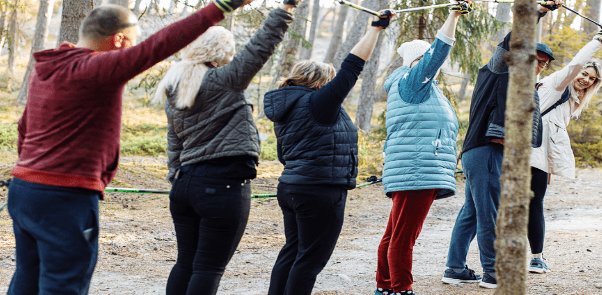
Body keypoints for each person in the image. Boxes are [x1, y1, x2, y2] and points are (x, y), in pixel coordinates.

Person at [6, 0, 242, 293]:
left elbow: (23, 128)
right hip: (64, 198)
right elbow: (158, 45)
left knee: (27, 278)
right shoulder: (96, 68)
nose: (134, 49)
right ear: (119, 40)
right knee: (62, 285)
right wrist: (222, 6)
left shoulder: (47, 68)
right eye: (132, 43)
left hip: (25, 189)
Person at [151, 0, 297, 293]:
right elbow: (260, 47)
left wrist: (175, 177)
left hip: (184, 186)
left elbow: (173, 140)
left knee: (186, 263)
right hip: (223, 186)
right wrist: (287, 8)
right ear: (220, 54)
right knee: (208, 267)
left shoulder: (175, 85)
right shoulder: (225, 80)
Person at [262, 9, 394, 295]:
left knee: (293, 251)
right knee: (309, 260)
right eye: (329, 82)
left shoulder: (285, 106)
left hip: (291, 186)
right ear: (320, 84)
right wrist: (376, 29)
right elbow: (353, 66)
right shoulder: (318, 103)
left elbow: (284, 154)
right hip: (319, 191)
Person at [441, 0, 563, 289]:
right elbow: (512, 40)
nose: (538, 67)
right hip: (484, 150)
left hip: (484, 153)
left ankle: (455, 268)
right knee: (489, 214)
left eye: (543, 64)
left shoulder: (526, 89)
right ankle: (493, 273)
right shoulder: (496, 71)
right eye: (535, 60)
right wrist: (539, 13)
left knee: (471, 212)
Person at [374, 3, 472, 295]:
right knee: (403, 238)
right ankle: (401, 289)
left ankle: (386, 287)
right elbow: (438, 52)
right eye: (427, 58)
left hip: (418, 170)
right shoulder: (414, 81)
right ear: (418, 59)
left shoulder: (422, 87)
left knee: (394, 235)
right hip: (417, 170)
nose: (436, 63)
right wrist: (453, 16)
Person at [527, 28, 602, 274]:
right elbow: (575, 65)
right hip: (526, 153)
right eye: (584, 74)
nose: (585, 79)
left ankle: (536, 257)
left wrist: (550, 165)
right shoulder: (558, 84)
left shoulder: (572, 100)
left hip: (539, 159)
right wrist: (597, 42)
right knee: (514, 204)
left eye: (591, 79)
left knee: (535, 204)